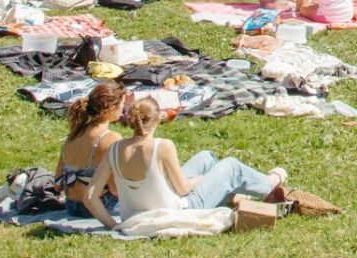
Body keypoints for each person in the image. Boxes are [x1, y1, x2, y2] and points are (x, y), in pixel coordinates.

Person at [82, 97, 283, 229]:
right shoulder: (162, 146)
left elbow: (90, 197)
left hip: (134, 215)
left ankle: (230, 193)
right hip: (177, 210)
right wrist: (204, 180)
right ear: (158, 120)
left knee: (206, 157)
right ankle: (270, 182)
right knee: (230, 167)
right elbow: (183, 188)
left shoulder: (115, 149)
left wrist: (113, 226)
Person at [57, 81, 125, 218]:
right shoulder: (111, 138)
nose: (123, 109)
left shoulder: (73, 135)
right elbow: (115, 189)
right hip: (98, 207)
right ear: (111, 108)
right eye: (122, 105)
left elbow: (58, 184)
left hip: (71, 206)